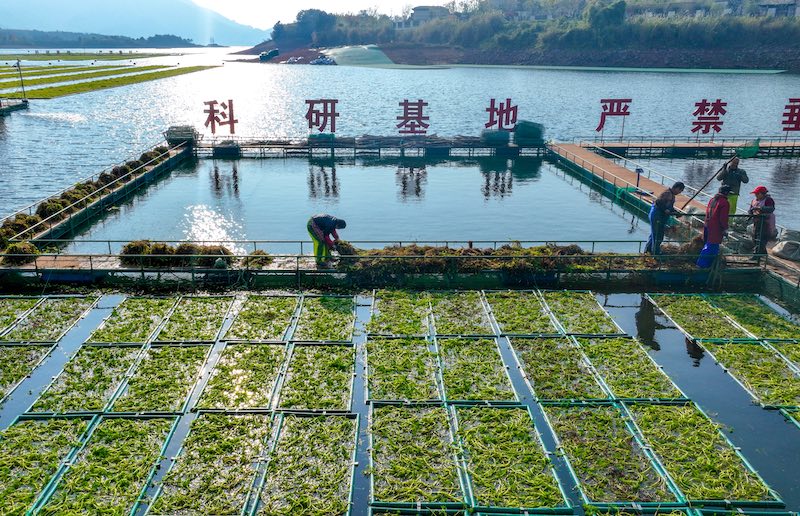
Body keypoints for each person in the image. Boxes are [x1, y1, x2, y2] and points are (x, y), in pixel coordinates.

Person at [645, 182, 685, 255]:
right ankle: (655, 253)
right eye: (680, 190)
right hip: (656, 216)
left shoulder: (672, 195)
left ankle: (648, 251)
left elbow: (670, 207)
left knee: (654, 234)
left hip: (661, 217)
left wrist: (676, 213)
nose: (680, 192)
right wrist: (665, 210)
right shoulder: (667, 193)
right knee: (658, 235)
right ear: (677, 188)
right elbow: (658, 202)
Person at [697, 185, 731, 268]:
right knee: (712, 246)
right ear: (726, 193)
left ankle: (703, 264)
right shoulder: (724, 202)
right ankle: (703, 265)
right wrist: (725, 228)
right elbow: (723, 218)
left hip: (707, 225)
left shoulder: (712, 200)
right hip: (716, 228)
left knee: (708, 245)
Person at [748, 185, 776, 256]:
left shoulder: (768, 200)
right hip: (756, 222)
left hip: (765, 223)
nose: (755, 195)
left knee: (761, 239)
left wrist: (760, 208)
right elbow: (750, 209)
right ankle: (763, 254)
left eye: (757, 194)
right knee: (755, 237)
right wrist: (751, 212)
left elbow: (771, 209)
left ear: (762, 193)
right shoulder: (754, 200)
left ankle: (756, 256)